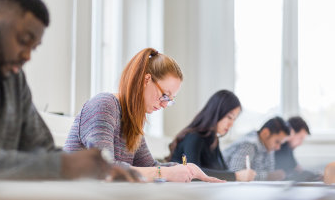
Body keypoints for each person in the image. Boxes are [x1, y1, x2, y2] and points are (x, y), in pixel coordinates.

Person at [0, 0, 139, 181]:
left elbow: (42, 148)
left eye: (34, 48)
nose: (27, 56)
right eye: (23, 41)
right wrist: (63, 166)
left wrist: (100, 168)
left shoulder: (14, 78)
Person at [64, 48, 225, 183]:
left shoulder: (133, 119)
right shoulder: (103, 105)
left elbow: (149, 166)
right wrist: (164, 173)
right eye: (164, 95)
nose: (164, 104)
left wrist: (188, 168)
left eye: (169, 100)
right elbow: (104, 169)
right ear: (146, 80)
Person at [166, 90, 256, 181]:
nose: (231, 124)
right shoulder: (194, 137)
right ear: (216, 112)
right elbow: (193, 173)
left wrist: (237, 175)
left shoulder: (213, 140)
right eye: (229, 117)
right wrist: (236, 176)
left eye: (234, 120)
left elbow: (223, 170)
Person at [223, 117, 290, 181]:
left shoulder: (269, 147)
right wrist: (267, 176)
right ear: (265, 133)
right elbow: (236, 173)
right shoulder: (249, 144)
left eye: (281, 144)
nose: (278, 147)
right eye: (277, 142)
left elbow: (269, 173)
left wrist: (270, 176)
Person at [275, 116, 320, 181]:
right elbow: (291, 173)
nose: (300, 143)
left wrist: (316, 175)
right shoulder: (279, 148)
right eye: (300, 138)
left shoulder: (289, 148)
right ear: (291, 132)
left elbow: (298, 169)